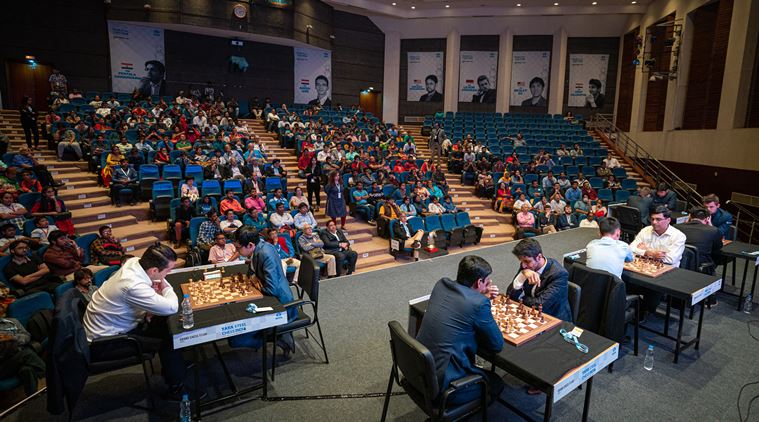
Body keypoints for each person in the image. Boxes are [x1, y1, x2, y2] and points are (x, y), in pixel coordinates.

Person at [83, 244, 188, 398]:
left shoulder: (134, 262)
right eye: (168, 270)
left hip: (112, 326)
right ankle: (176, 386)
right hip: (106, 342)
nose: (169, 273)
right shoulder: (132, 284)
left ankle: (175, 368)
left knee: (166, 324)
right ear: (153, 270)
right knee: (171, 337)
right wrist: (165, 286)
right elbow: (171, 307)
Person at [415, 255, 504, 406]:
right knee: (497, 383)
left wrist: (478, 295)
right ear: (479, 282)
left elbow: (460, 304)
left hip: (417, 371)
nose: (488, 284)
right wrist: (481, 299)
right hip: (443, 388)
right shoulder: (479, 303)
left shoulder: (441, 284)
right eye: (487, 282)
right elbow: (497, 344)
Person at [229, 226, 297, 351]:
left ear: (250, 245)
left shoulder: (265, 254)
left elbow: (272, 289)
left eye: (238, 248)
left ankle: (279, 339)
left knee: (236, 339)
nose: (236, 251)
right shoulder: (258, 246)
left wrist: (255, 282)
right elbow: (252, 271)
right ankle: (275, 336)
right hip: (270, 299)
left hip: (281, 306)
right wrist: (254, 278)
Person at [507, 238, 571, 321]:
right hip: (531, 313)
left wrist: (520, 296)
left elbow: (540, 305)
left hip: (552, 319)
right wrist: (521, 276)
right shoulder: (526, 267)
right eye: (521, 261)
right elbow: (509, 293)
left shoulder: (559, 274)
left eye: (527, 261)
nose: (523, 266)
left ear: (539, 257)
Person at [0, 316, 46, 396]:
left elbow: (27, 337)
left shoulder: (12, 321)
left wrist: (13, 338)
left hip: (17, 357)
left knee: (27, 370)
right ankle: (51, 376)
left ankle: (33, 399)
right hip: (3, 365)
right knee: (27, 354)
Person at [675, 207, 723, 274]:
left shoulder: (676, 227)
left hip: (679, 262)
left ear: (689, 216)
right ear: (708, 219)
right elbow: (718, 248)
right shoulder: (713, 230)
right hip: (701, 266)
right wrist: (710, 225)